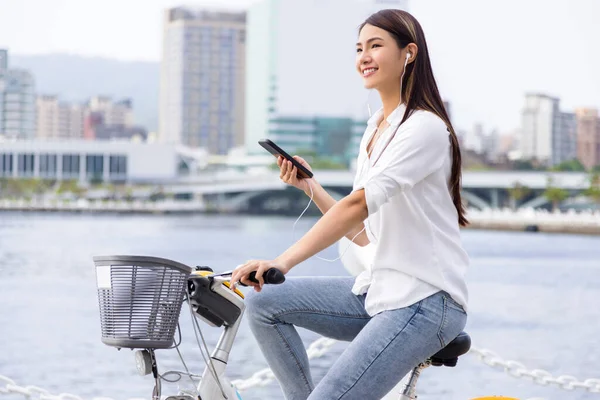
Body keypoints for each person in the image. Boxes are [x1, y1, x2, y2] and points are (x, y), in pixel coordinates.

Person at [230, 8, 469, 400]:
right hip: (381, 291)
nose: (364, 57)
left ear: (409, 53)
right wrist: (311, 188)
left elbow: (356, 206)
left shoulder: (424, 127)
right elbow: (362, 231)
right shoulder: (376, 128)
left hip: (426, 301)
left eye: (376, 46)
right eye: (359, 48)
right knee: (264, 304)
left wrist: (281, 262)